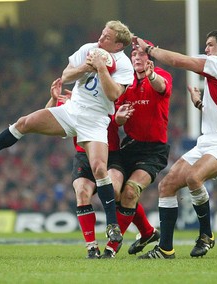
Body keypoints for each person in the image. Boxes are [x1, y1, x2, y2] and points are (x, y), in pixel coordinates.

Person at [0, 20, 134, 244]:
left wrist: (101, 68)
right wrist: (85, 67)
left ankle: (111, 226)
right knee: (25, 122)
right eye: (102, 34)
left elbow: (113, 95)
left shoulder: (124, 64)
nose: (101, 39)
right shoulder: (89, 49)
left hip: (95, 120)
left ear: (118, 45)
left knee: (100, 168)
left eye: (107, 38)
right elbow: (66, 76)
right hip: (71, 111)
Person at [134, 30, 217, 259]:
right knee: (166, 185)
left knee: (193, 178)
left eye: (210, 45)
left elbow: (179, 61)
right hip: (208, 140)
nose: (206, 49)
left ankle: (206, 234)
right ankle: (166, 249)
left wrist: (149, 49)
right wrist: (199, 103)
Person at [48, 81, 156, 259]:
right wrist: (53, 100)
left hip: (111, 154)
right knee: (82, 191)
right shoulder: (72, 100)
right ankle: (91, 247)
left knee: (115, 190)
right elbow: (49, 115)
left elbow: (119, 119)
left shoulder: (111, 94)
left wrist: (119, 117)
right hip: (83, 155)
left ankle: (114, 243)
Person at [101, 40, 173, 258]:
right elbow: (115, 116)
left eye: (142, 54)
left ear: (149, 57)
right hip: (129, 146)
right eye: (134, 54)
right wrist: (119, 119)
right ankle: (148, 232)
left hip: (154, 150)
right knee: (115, 191)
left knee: (131, 192)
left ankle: (111, 248)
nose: (137, 57)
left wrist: (151, 77)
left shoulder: (160, 75)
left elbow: (161, 86)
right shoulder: (125, 81)